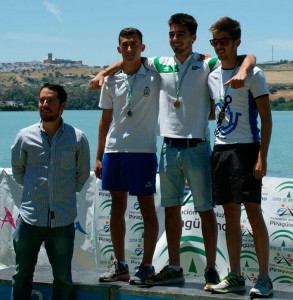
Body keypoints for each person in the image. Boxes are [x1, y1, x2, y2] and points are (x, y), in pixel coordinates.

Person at [90, 13, 255, 290]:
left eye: (180, 34)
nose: (175, 39)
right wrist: (104, 72)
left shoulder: (206, 62)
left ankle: (212, 269)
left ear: (193, 38)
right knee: (171, 210)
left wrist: (242, 71)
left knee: (205, 211)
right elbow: (129, 59)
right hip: (167, 147)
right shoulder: (159, 63)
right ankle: (175, 267)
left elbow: (248, 57)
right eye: (171, 34)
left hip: (198, 146)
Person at [207, 17, 273, 298]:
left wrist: (262, 157)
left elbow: (268, 120)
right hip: (220, 150)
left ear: (236, 42)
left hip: (246, 149)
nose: (220, 47)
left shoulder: (254, 74)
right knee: (229, 215)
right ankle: (234, 275)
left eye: (224, 41)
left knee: (253, 213)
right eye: (215, 42)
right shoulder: (211, 74)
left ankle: (265, 278)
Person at [11, 83, 90, 300]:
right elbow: (18, 171)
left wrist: (60, 195)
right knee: (21, 275)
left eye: (50, 101)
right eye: (41, 100)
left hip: (62, 223)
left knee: (63, 278)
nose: (44, 104)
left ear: (62, 105)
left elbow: (82, 176)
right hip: (29, 220)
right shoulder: (24, 136)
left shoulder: (78, 138)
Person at [95, 28, 160, 285]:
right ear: (118, 48)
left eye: (134, 44)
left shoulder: (154, 76)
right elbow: (104, 120)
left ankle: (146, 265)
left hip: (143, 152)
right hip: (114, 151)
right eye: (125, 45)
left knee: (147, 210)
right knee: (117, 207)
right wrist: (99, 156)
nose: (129, 49)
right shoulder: (110, 81)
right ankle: (120, 264)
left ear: (143, 48)